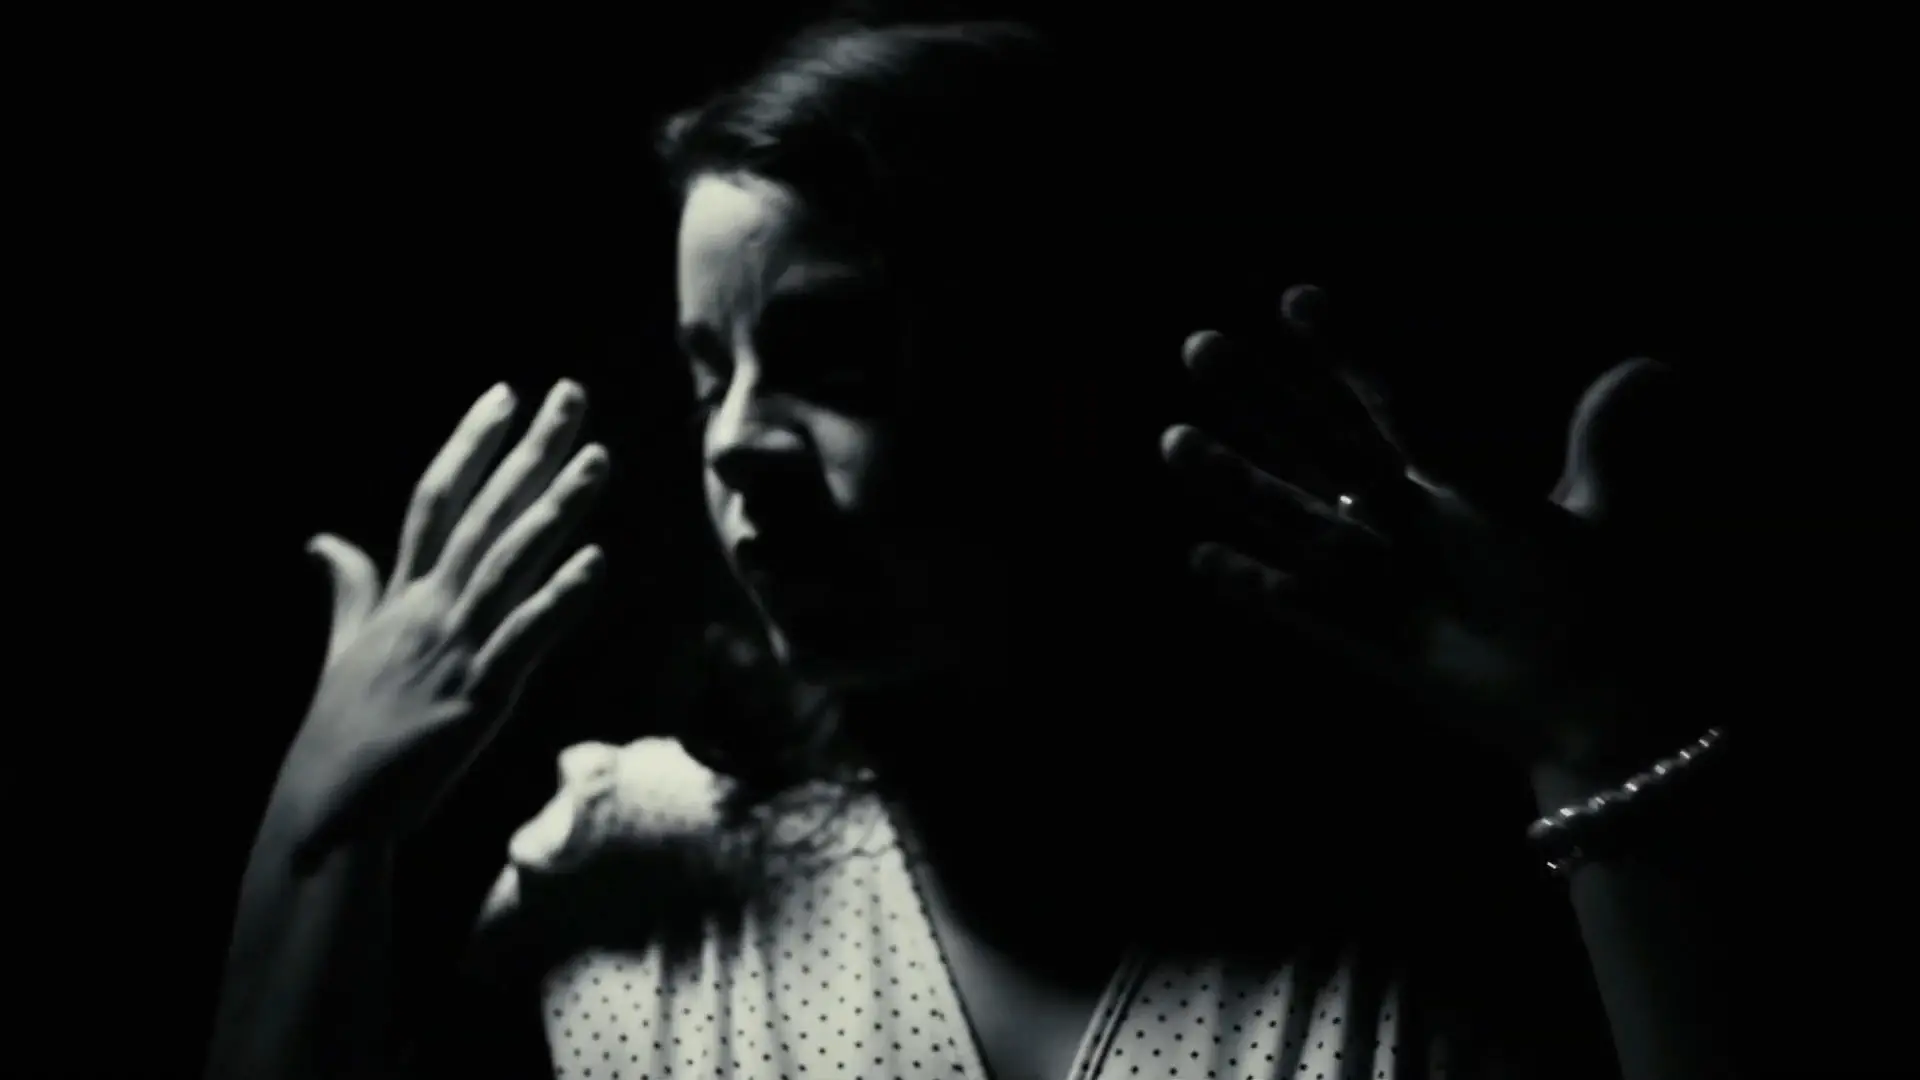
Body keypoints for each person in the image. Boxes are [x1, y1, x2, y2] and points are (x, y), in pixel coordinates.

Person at [207, 18, 1742, 1080]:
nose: (735, 438)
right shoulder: (633, 866)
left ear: (1055, 373)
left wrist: (1599, 740)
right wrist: (319, 830)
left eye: (831, 351)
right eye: (706, 370)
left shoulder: (1412, 881)